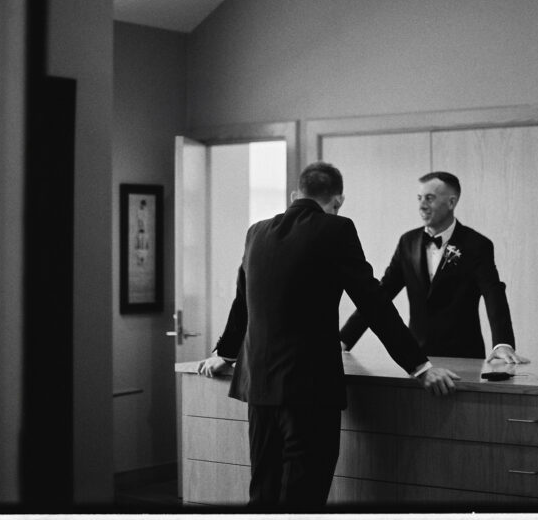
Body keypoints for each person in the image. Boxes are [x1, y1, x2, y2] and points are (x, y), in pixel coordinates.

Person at [196, 161, 458, 509]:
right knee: (303, 495)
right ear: (338, 200)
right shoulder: (336, 229)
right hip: (308, 390)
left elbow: (242, 302)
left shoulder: (256, 232)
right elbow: (373, 302)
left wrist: (224, 353)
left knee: (263, 491)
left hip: (258, 386)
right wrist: (419, 366)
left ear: (295, 195)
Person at [339, 171, 527, 363]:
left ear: (451, 202)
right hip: (417, 356)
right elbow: (380, 294)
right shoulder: (408, 242)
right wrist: (345, 339)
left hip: (463, 355)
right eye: (419, 198)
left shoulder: (477, 244)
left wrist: (502, 343)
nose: (422, 205)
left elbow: (493, 292)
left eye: (429, 198)